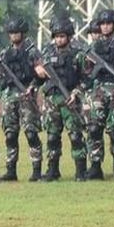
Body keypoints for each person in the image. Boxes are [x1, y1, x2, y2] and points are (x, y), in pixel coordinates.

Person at [34, 16, 86, 182]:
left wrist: (76, 93)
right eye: (56, 36)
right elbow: (39, 78)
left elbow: (86, 79)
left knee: (76, 136)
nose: (59, 39)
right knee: (52, 137)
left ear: (69, 36)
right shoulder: (47, 54)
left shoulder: (78, 55)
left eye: (62, 36)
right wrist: (39, 72)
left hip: (70, 99)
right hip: (52, 100)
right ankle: (53, 170)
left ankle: (80, 171)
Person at [82, 9, 114, 180]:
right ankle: (95, 166)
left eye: (108, 23)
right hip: (98, 89)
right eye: (102, 24)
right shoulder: (94, 46)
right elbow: (86, 69)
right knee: (94, 128)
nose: (105, 27)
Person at [0, 18, 42, 182]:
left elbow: (41, 73)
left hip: (26, 94)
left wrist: (33, 86)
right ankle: (11, 170)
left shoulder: (32, 52)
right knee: (10, 134)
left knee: (31, 133)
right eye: (11, 33)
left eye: (16, 33)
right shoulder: (4, 54)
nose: (14, 36)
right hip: (9, 96)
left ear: (22, 33)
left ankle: (36, 169)